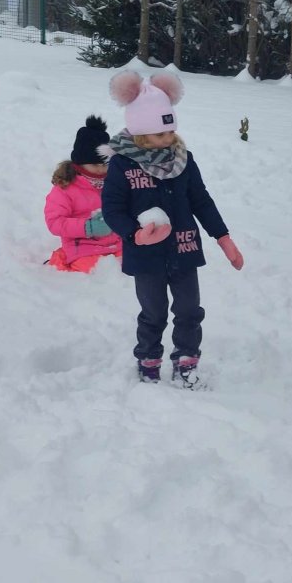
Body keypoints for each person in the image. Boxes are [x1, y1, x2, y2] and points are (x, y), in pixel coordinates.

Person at [100, 70, 244, 388]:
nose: (168, 139)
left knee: (189, 310)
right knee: (154, 312)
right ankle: (148, 360)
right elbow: (112, 209)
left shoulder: (184, 160)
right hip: (145, 255)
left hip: (184, 248)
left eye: (170, 131)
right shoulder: (123, 165)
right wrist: (134, 234)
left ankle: (186, 361)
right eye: (159, 134)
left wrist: (223, 237)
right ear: (140, 134)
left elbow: (201, 201)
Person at [43, 115, 121, 273]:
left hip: (117, 244)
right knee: (92, 269)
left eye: (104, 164)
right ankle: (61, 258)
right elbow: (55, 222)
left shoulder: (114, 182)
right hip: (83, 246)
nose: (100, 169)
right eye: (94, 164)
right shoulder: (66, 188)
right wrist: (88, 227)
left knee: (131, 265)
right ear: (80, 162)